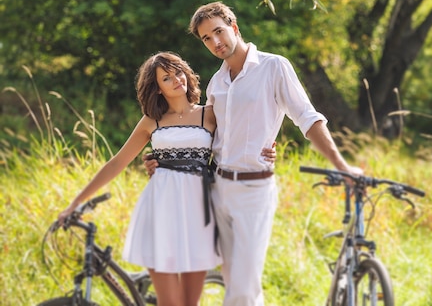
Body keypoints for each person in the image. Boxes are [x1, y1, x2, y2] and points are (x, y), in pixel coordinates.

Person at [145, 2, 363, 306]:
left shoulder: (274, 66)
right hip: (216, 189)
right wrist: (163, 159)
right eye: (207, 38)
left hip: (254, 190)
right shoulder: (216, 83)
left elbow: (307, 118)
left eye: (219, 32)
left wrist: (340, 165)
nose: (216, 42)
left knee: (243, 289)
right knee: (233, 282)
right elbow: (203, 134)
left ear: (234, 27)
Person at [57, 51, 276, 306]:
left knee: (189, 303)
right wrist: (74, 203)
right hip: (160, 209)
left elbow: (244, 133)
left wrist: (268, 148)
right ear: (157, 88)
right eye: (167, 78)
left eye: (178, 72)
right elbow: (117, 162)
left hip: (199, 214)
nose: (176, 80)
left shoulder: (210, 114)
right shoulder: (152, 121)